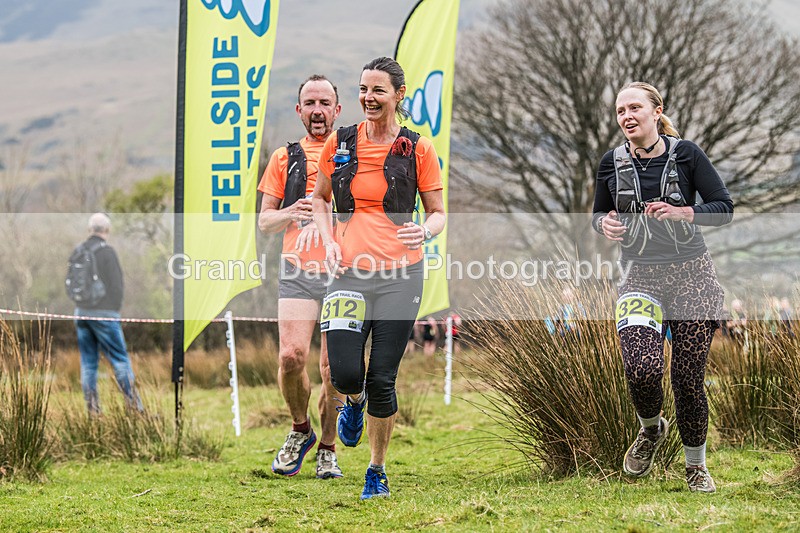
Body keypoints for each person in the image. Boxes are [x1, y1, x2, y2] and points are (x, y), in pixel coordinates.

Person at [311, 57, 445, 499]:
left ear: (398, 95)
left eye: (378, 91)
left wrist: (424, 230)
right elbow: (320, 199)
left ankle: (376, 470)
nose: (369, 98)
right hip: (347, 273)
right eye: (364, 90)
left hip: (400, 276)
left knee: (382, 377)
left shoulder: (417, 149)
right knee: (345, 374)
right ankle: (353, 402)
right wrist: (328, 239)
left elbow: (439, 212)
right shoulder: (340, 141)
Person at [593, 82, 733, 493]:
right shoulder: (611, 162)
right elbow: (598, 212)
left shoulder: (686, 154)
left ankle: (696, 467)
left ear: (657, 111)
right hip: (640, 276)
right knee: (641, 368)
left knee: (687, 380)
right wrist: (604, 223)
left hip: (693, 277)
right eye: (620, 111)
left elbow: (723, 207)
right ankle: (651, 431)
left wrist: (683, 212)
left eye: (634, 107)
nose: (626, 116)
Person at [257, 74, 345, 479]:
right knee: (291, 357)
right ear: (299, 110)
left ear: (337, 110)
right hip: (297, 268)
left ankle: (328, 447)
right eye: (309, 103)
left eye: (324, 103)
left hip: (343, 269)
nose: (317, 110)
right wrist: (293, 212)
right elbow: (264, 222)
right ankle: (300, 429)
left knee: (334, 369)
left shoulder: (353, 154)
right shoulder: (283, 157)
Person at [73, 213, 143, 415]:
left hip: (81, 313)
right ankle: (135, 409)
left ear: (90, 230)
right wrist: (113, 310)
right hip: (104, 314)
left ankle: (93, 412)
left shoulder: (79, 251)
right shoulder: (107, 253)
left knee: (88, 363)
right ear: (107, 230)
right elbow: (117, 286)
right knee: (120, 360)